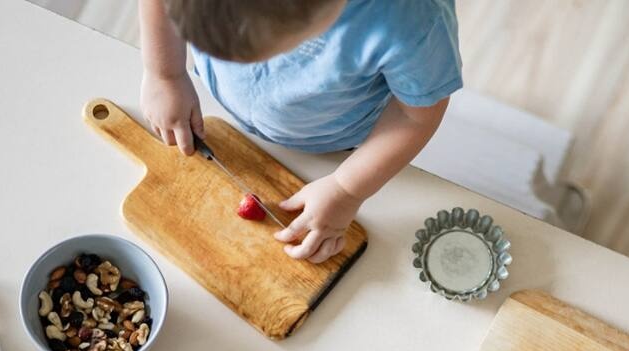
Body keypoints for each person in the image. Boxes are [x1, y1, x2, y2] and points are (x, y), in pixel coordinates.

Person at [137, 0, 461, 263]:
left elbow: (413, 116)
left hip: (335, 145)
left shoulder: (413, 18)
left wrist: (346, 189)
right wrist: (164, 73)